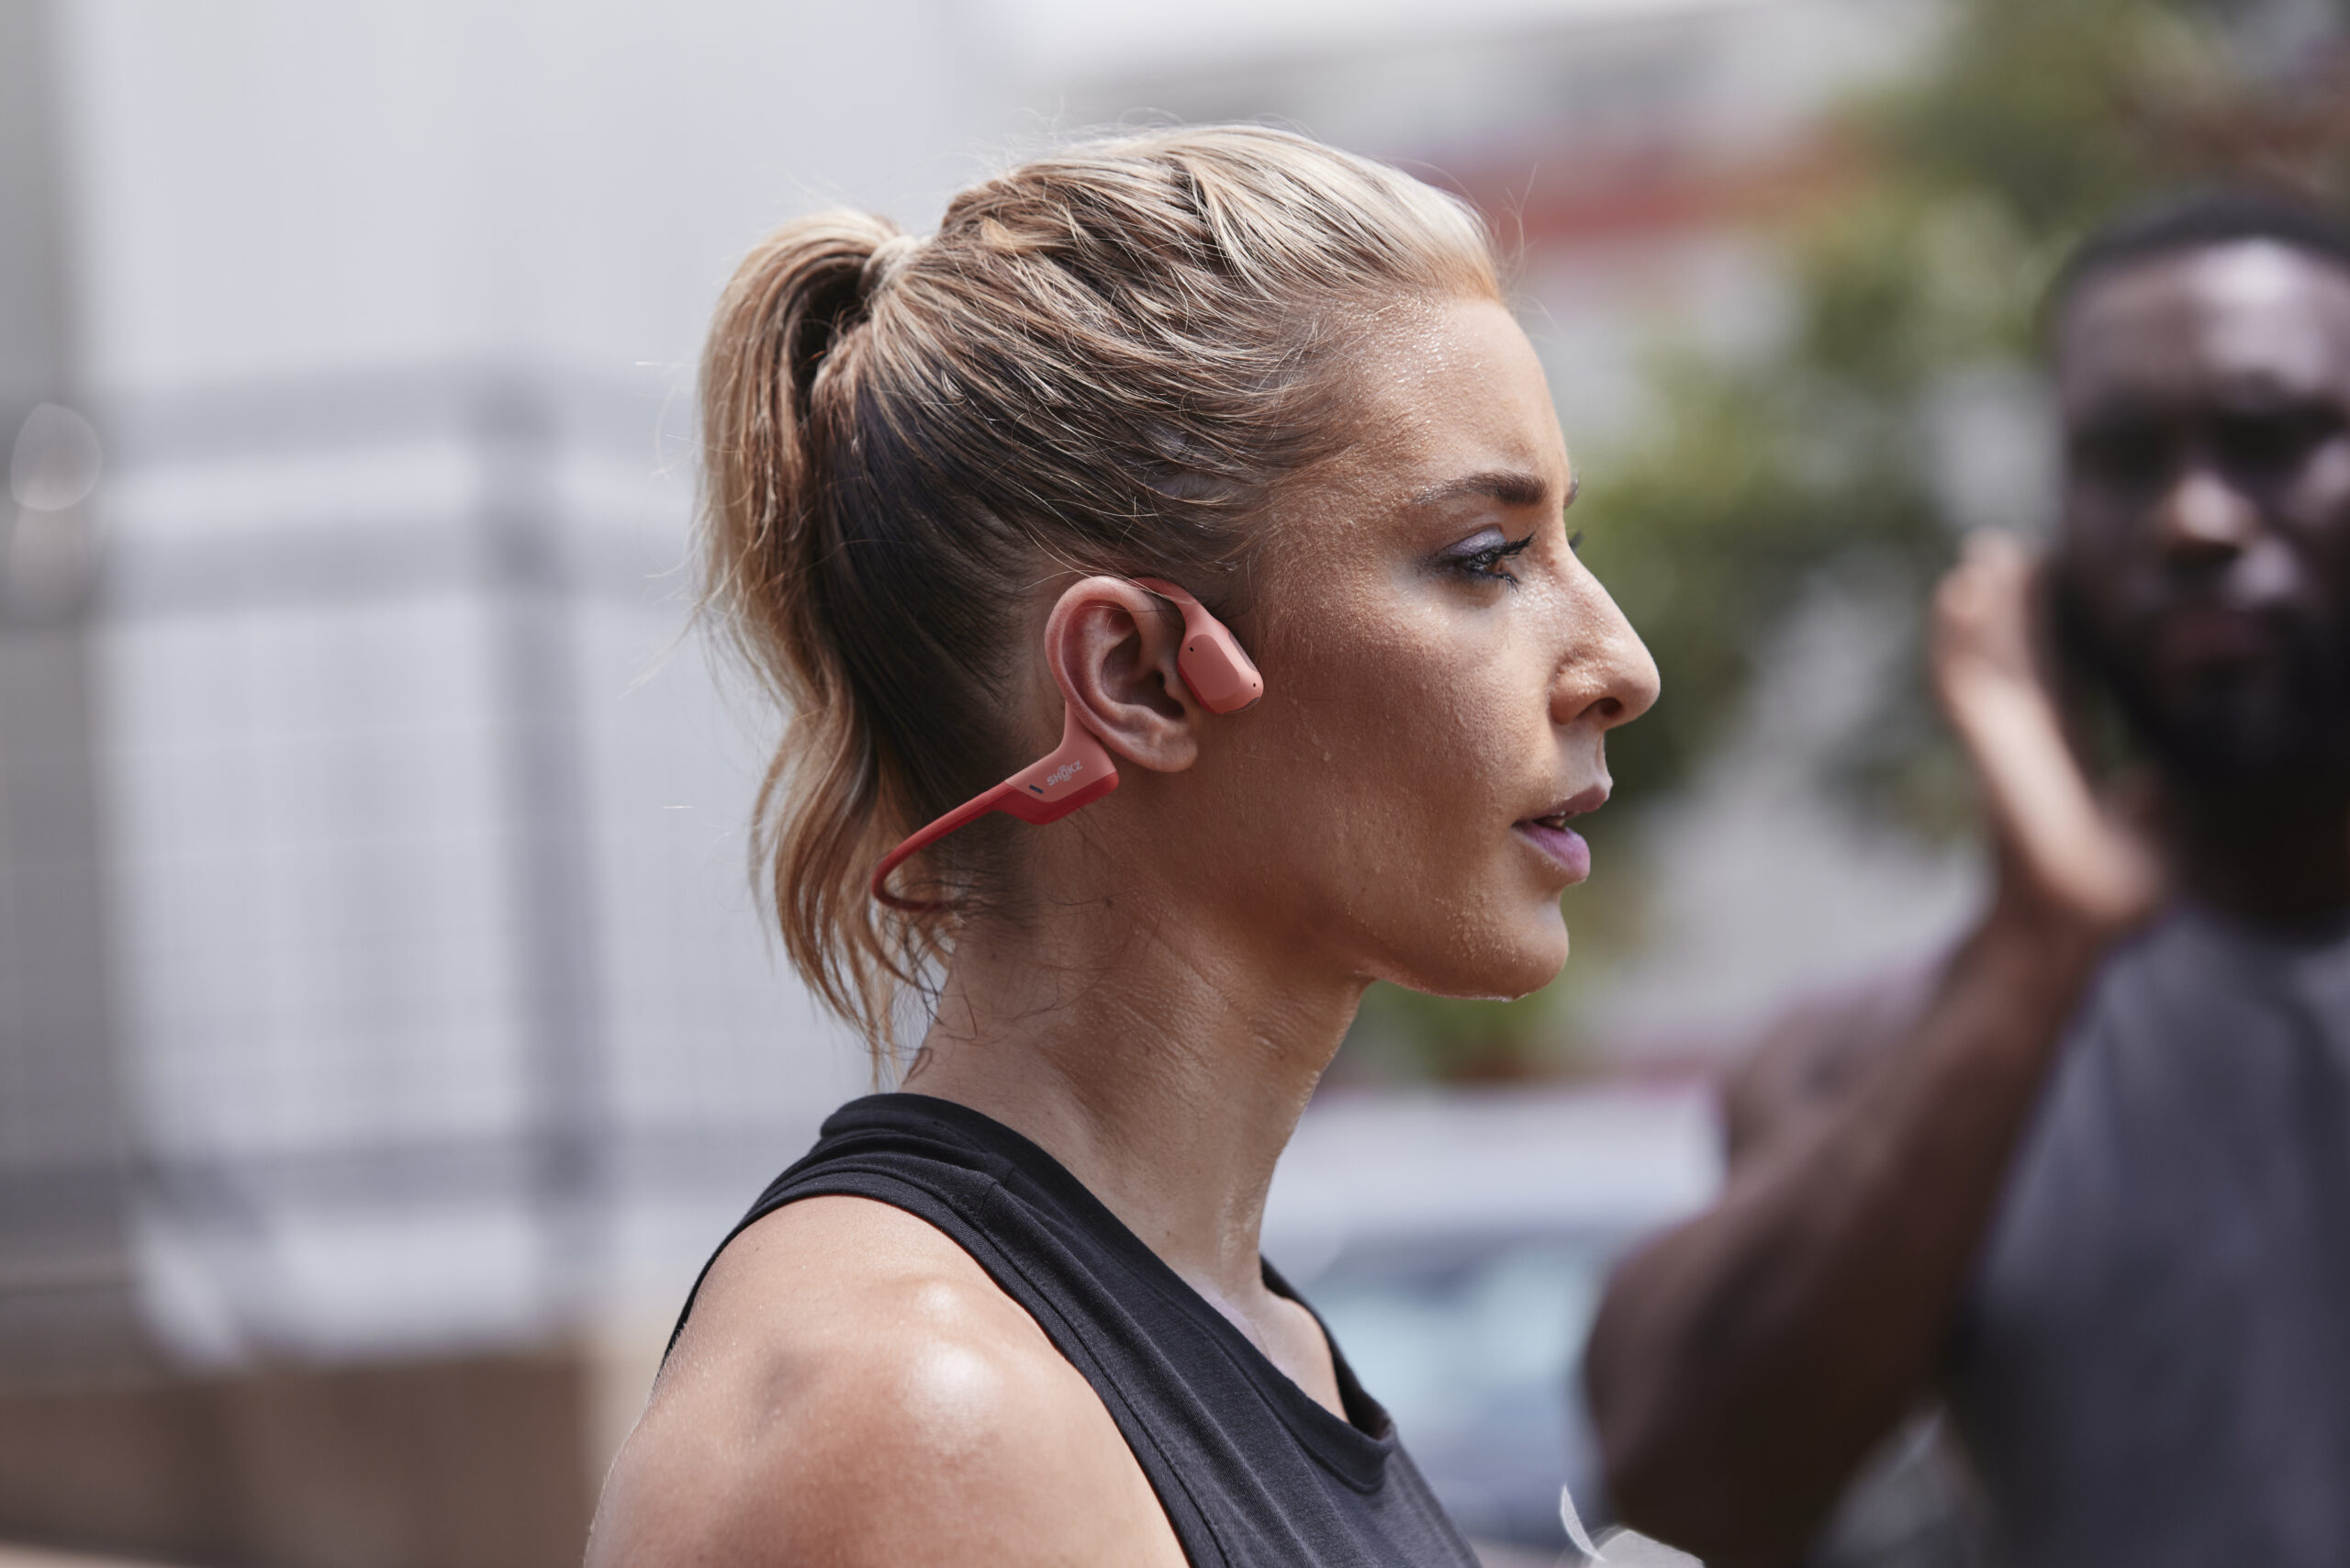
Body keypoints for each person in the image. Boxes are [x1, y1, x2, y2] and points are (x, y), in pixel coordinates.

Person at [585, 126, 1658, 1567]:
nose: (1621, 662)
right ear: (1140, 677)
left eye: (1565, 545)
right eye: (1487, 559)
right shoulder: (925, 1416)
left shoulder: (1245, 1337)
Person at [1584, 187, 2350, 1568]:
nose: (2191, 519)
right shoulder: (1899, 1055)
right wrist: (2041, 937)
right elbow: (1682, 1496)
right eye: (2122, 458)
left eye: (2271, 439)